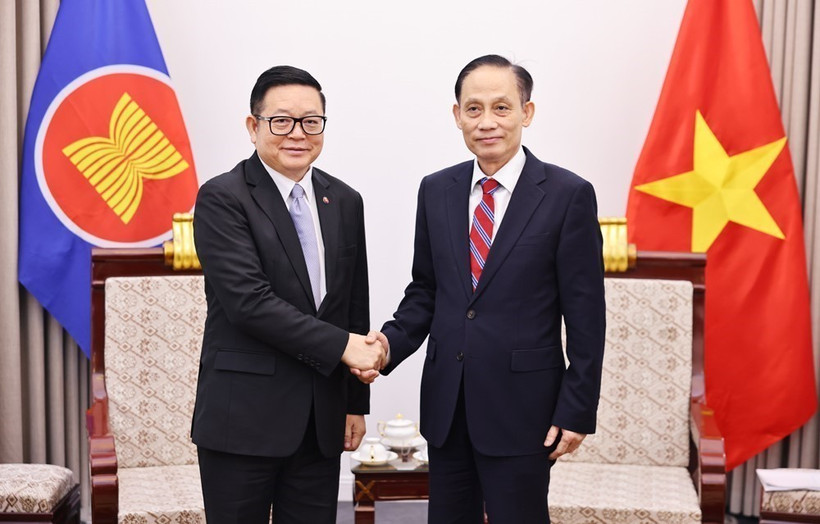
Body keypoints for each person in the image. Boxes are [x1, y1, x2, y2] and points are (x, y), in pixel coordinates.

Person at [364, 55, 606, 523]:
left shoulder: (567, 194)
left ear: (526, 113)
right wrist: (387, 346)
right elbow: (427, 292)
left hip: (524, 411)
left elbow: (586, 316)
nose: (487, 121)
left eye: (502, 107)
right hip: (447, 407)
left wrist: (577, 409)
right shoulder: (436, 190)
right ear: (457, 115)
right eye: (474, 109)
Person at [191, 65, 386, 524]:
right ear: (253, 126)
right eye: (281, 121)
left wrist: (355, 404)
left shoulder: (344, 199)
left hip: (320, 423)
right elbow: (249, 303)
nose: (297, 133)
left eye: (311, 121)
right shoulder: (222, 197)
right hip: (243, 423)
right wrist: (345, 347)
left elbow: (353, 303)